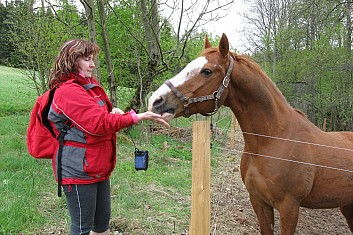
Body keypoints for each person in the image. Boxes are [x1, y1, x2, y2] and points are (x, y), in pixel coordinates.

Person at [47, 39, 169, 235]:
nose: (93, 64)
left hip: (98, 166)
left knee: (102, 226)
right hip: (78, 171)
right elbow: (99, 124)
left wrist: (116, 114)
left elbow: (100, 117)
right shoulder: (68, 92)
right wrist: (136, 117)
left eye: (92, 59)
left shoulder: (90, 85)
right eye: (87, 59)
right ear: (72, 61)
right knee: (81, 229)